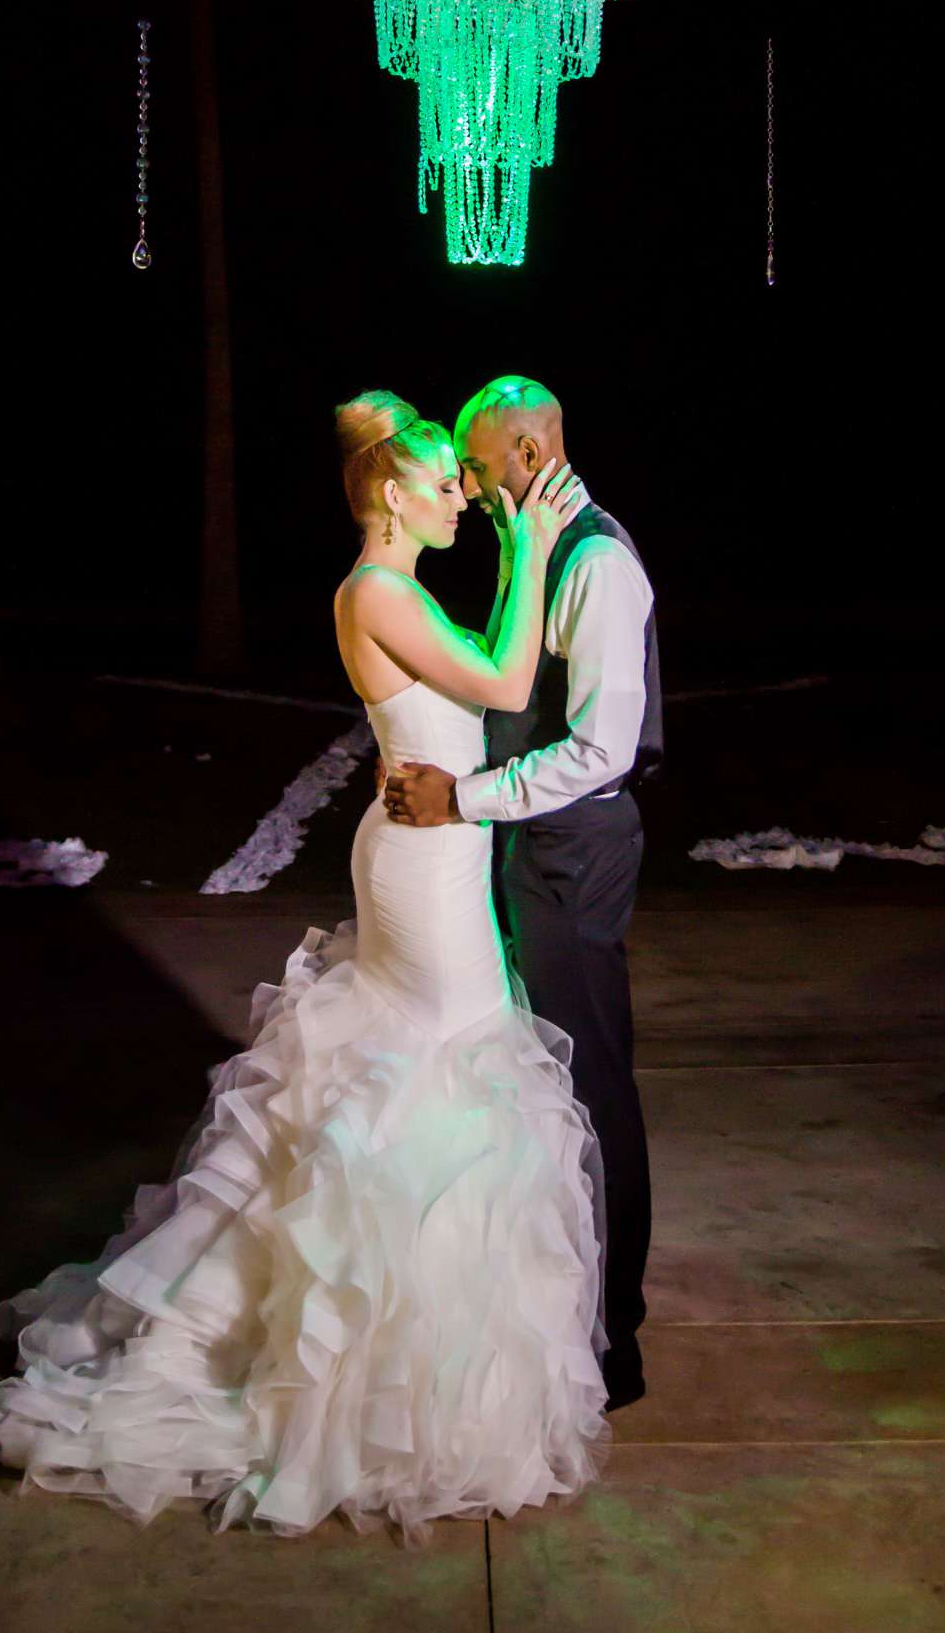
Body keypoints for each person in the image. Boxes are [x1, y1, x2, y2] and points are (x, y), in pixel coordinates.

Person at [0, 390, 612, 1543]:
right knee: (444, 1075)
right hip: (425, 875)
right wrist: (527, 545)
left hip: (433, 851)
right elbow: (510, 687)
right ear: (391, 493)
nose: (461, 499)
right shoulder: (375, 591)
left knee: (424, 1078)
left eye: (463, 487)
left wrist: (513, 548)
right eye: (441, 482)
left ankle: (417, 1360)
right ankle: (367, 1385)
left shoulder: (398, 588)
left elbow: (486, 687)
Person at [383, 374, 659, 1413]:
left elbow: (598, 747)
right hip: (536, 849)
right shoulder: (538, 546)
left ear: (529, 456)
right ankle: (560, 1309)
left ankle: (613, 1339)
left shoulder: (597, 565)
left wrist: (466, 796)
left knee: (594, 1094)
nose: (465, 478)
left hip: (573, 854)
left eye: (476, 459)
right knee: (550, 1090)